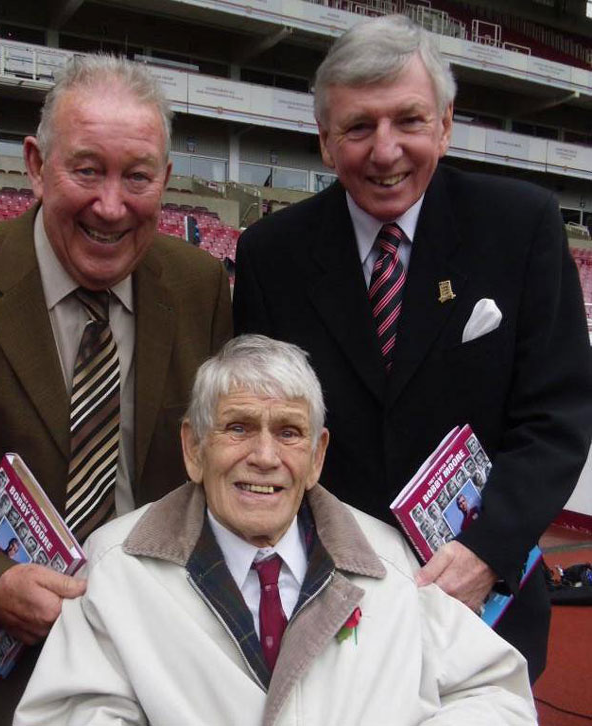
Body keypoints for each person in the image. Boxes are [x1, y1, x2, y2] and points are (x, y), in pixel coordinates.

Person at [0, 55, 231, 725]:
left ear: (166, 180)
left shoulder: (201, 288)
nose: (112, 205)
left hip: (161, 661)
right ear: (36, 163)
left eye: (138, 176)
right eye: (86, 169)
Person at [233, 14, 592, 682]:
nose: (385, 150)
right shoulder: (270, 256)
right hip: (330, 609)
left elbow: (557, 417)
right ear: (324, 140)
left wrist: (489, 549)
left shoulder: (523, 228)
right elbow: (263, 434)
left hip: (485, 604)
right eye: (359, 126)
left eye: (409, 121)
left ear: (447, 125)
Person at [13, 335, 536, 726]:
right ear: (193, 448)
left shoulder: (389, 562)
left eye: (289, 433)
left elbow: (496, 694)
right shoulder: (115, 568)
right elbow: (67, 716)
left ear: (317, 456)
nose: (264, 458)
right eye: (238, 427)